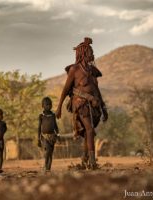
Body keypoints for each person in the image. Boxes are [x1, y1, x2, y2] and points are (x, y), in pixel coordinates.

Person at [56, 37, 108, 170]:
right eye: (90, 51)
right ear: (84, 53)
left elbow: (97, 90)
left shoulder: (92, 71)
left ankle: (85, 159)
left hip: (94, 105)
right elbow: (66, 89)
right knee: (90, 130)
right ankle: (92, 162)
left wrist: (103, 107)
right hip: (80, 104)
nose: (93, 54)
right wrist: (59, 108)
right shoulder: (75, 70)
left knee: (88, 133)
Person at [38, 97, 60, 172]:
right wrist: (38, 139)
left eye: (50, 104)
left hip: (52, 136)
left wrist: (58, 135)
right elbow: (39, 128)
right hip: (44, 136)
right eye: (47, 104)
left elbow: (55, 126)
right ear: (42, 106)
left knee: (50, 153)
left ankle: (48, 169)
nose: (49, 106)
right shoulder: (41, 116)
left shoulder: (53, 115)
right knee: (47, 151)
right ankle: (45, 165)